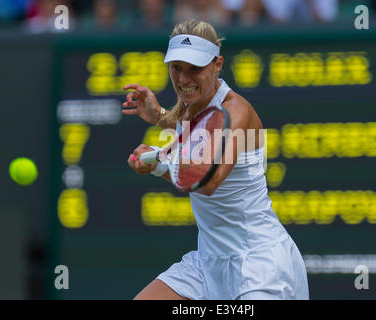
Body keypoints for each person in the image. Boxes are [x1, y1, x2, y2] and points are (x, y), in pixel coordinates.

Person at [122, 19, 309, 300]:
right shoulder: (190, 109)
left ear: (217, 64)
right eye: (176, 68)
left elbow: (208, 181)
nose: (184, 79)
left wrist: (158, 160)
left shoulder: (237, 110)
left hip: (258, 264)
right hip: (208, 263)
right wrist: (160, 117)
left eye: (195, 68)